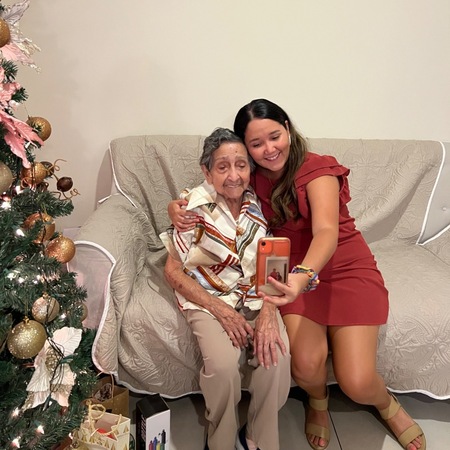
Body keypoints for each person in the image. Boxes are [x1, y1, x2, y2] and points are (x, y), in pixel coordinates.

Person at [169, 100, 426, 450]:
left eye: (274, 136)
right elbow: (210, 191)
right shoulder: (250, 176)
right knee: (304, 365)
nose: (268, 149)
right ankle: (318, 401)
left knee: (357, 380)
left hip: (339, 267)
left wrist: (301, 277)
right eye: (256, 144)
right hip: (285, 269)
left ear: (288, 129)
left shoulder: (317, 170)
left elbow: (326, 232)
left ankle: (387, 405)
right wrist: (175, 207)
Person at [160, 127, 291, 450]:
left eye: (241, 165)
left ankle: (257, 437)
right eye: (222, 167)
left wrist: (268, 312)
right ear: (207, 172)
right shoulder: (192, 208)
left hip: (255, 293)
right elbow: (173, 271)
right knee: (222, 367)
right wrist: (221, 310)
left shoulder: (260, 201)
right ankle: (220, 438)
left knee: (276, 356)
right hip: (208, 297)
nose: (234, 176)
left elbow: (275, 261)